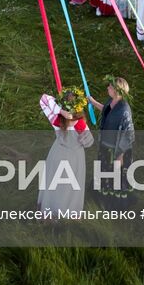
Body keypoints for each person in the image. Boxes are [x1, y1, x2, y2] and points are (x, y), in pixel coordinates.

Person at [38, 88, 94, 217]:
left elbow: (44, 99)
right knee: (67, 186)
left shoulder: (56, 119)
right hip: (73, 157)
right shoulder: (79, 123)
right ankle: (63, 213)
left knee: (57, 184)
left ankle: (53, 211)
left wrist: (61, 112)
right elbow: (89, 142)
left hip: (60, 153)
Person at [90, 76, 135, 208]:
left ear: (116, 90)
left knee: (116, 175)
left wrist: (120, 155)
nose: (107, 88)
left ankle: (115, 203)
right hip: (105, 146)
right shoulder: (111, 101)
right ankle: (103, 196)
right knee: (104, 171)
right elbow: (105, 110)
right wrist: (92, 102)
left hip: (117, 150)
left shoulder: (124, 110)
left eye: (110, 86)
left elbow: (129, 134)